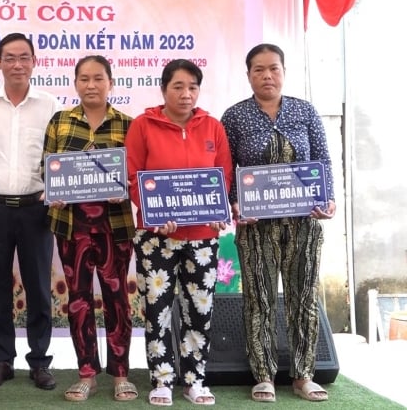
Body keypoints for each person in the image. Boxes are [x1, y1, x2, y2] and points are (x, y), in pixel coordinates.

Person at [221, 43, 335, 403]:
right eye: (258, 69)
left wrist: (327, 200)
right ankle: (264, 375)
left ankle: (303, 375)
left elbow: (323, 162)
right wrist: (236, 203)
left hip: (304, 225)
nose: (267, 75)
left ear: (284, 72)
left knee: (304, 298)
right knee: (260, 301)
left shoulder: (305, 112)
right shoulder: (235, 117)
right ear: (249, 75)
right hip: (256, 228)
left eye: (273, 68)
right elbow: (225, 171)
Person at [126, 59, 233, 406]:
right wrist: (153, 215)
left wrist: (219, 210)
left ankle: (194, 380)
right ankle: (161, 379)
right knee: (157, 309)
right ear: (163, 89)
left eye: (192, 87)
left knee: (199, 310)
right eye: (178, 87)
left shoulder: (212, 127)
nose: (186, 94)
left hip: (203, 236)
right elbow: (133, 176)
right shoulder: (143, 125)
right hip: (156, 235)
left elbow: (224, 175)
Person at [42, 55, 137, 402]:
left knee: (117, 299)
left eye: (98, 78)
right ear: (76, 83)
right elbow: (47, 166)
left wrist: (124, 187)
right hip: (72, 226)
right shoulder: (61, 122)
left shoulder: (129, 125)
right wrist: (54, 191)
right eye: (84, 79)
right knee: (79, 300)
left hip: (115, 226)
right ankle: (87, 373)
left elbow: (136, 174)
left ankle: (121, 374)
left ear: (111, 83)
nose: (91, 85)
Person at [0, 33, 61, 391]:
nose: (17, 64)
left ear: (34, 62)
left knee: (39, 287)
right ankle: (1, 360)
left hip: (36, 209)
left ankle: (39, 362)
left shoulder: (51, 105)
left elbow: (59, 160)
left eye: (24, 57)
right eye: (10, 58)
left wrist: (54, 192)